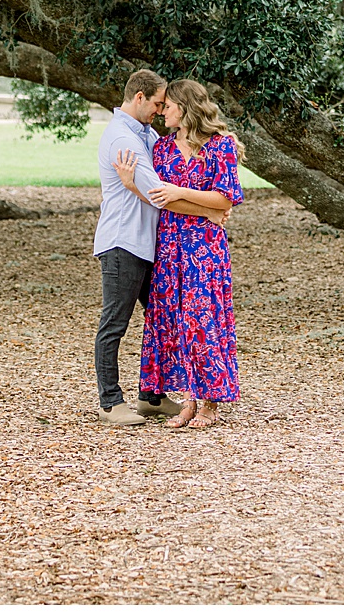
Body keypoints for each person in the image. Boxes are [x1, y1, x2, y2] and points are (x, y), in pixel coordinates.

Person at [91, 70, 224, 426]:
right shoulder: (124, 138)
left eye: (166, 105)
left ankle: (151, 397)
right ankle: (110, 403)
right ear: (139, 98)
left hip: (150, 245)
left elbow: (168, 182)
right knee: (114, 323)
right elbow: (158, 194)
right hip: (124, 242)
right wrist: (211, 211)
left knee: (165, 318)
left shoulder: (146, 134)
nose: (160, 111)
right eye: (157, 104)